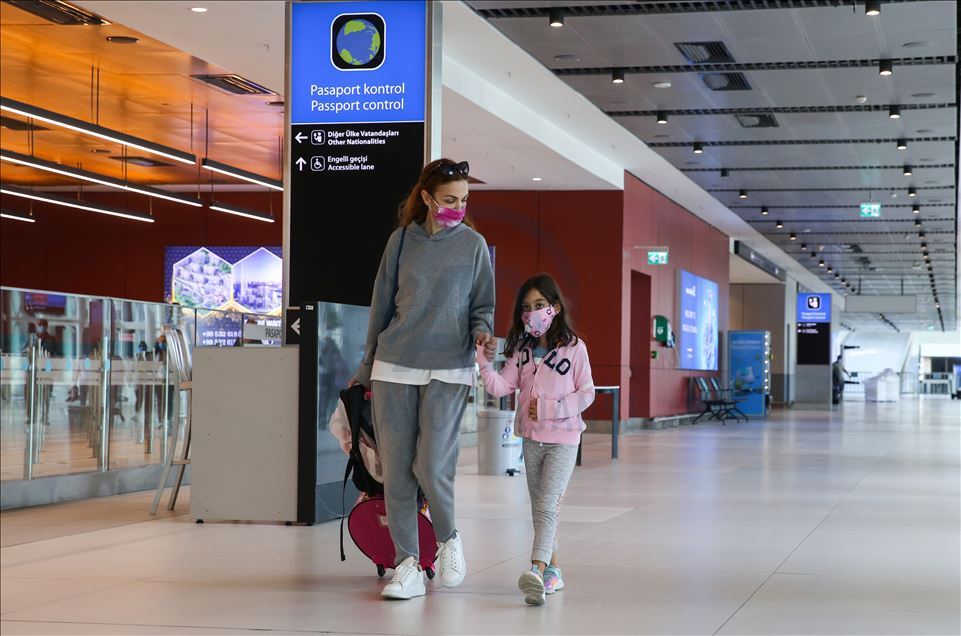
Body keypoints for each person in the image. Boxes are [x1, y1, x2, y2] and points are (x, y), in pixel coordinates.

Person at [351, 158, 495, 600]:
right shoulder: (401, 242)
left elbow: (482, 306)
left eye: (464, 199)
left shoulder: (473, 245)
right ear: (428, 198)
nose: (458, 207)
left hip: (449, 367)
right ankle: (407, 565)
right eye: (450, 199)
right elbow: (380, 306)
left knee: (431, 464)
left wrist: (482, 333)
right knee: (396, 472)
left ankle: (448, 539)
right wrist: (365, 368)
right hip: (394, 365)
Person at [476, 274, 595, 606]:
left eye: (540, 305)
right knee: (541, 508)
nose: (533, 313)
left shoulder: (575, 348)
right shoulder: (522, 350)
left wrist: (552, 409)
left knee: (547, 504)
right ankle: (554, 570)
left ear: (555, 307)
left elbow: (587, 393)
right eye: (527, 307)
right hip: (531, 440)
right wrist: (483, 362)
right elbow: (501, 386)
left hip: (564, 441)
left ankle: (536, 569)